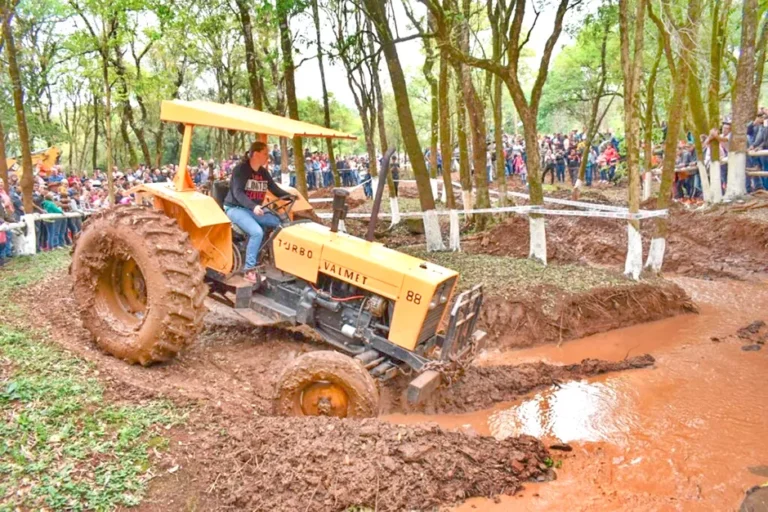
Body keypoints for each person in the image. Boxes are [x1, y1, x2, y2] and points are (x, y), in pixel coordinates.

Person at [223, 141, 291, 283]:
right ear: (255, 154)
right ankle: (249, 270)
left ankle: (267, 257)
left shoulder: (263, 172)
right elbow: (237, 192)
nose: (268, 156)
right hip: (236, 208)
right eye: (265, 153)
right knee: (257, 232)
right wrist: (253, 206)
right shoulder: (241, 170)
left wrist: (290, 197)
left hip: (254, 209)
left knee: (280, 223)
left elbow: (275, 189)